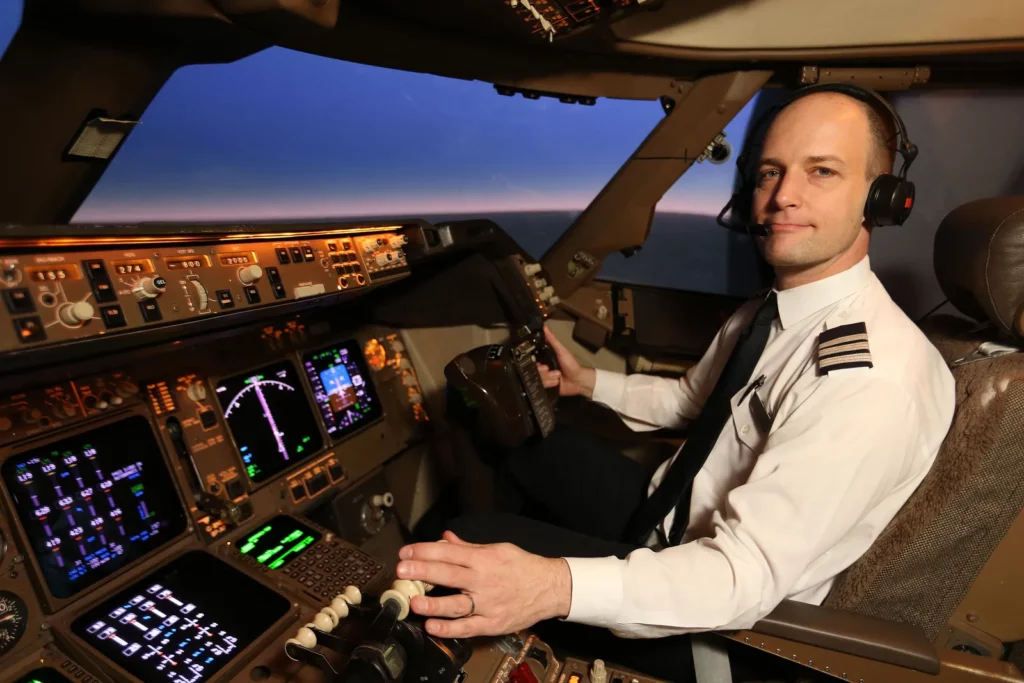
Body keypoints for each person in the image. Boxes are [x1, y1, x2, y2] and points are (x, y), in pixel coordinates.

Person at [395, 86, 957, 679]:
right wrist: (587, 383)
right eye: (771, 172)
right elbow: (691, 400)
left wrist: (549, 587)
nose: (782, 197)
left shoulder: (869, 379)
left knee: (458, 550)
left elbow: (739, 580)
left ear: (880, 198)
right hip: (665, 516)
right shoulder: (770, 311)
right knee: (522, 441)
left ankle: (474, 613)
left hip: (715, 618)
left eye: (822, 171)